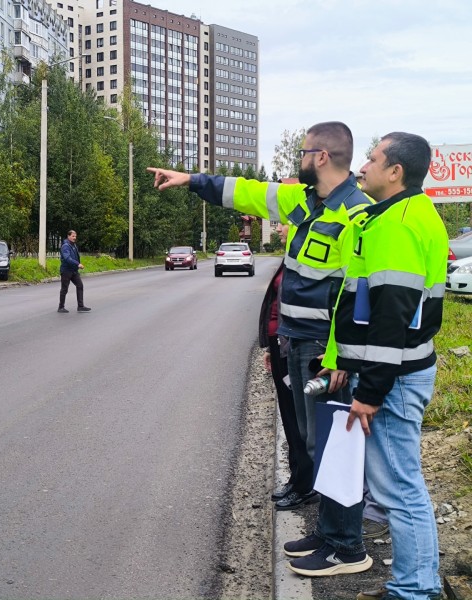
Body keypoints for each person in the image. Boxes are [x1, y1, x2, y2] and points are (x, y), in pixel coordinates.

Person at [149, 121, 374, 573]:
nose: (299, 158)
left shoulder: (359, 215)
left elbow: (357, 298)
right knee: (313, 444)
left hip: (325, 353)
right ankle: (329, 533)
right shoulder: (304, 202)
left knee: (334, 446)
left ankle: (347, 545)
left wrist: (339, 360)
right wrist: (192, 180)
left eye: (304, 151)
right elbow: (247, 192)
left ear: (322, 157)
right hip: (296, 342)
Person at [316, 133, 447, 600]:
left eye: (372, 159)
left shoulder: (398, 225)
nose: (362, 167)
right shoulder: (404, 215)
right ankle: (417, 584)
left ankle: (414, 590)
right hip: (401, 370)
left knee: (399, 491)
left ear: (396, 172)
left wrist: (370, 393)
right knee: (400, 485)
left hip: (395, 377)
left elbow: (392, 317)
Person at [258, 223, 311, 509]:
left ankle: (305, 484)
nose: (277, 228)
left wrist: (283, 343)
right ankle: (296, 478)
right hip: (282, 346)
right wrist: (271, 346)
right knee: (290, 418)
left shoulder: (305, 257)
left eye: (282, 223)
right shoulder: (291, 255)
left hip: (293, 346)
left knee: (297, 419)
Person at [58, 230, 91, 313]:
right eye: (73, 236)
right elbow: (67, 258)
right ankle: (61, 307)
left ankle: (80, 306)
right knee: (64, 289)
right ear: (68, 236)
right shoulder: (65, 246)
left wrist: (76, 266)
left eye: (75, 236)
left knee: (80, 285)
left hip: (74, 271)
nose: (74, 238)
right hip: (66, 271)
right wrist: (77, 264)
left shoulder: (73, 245)